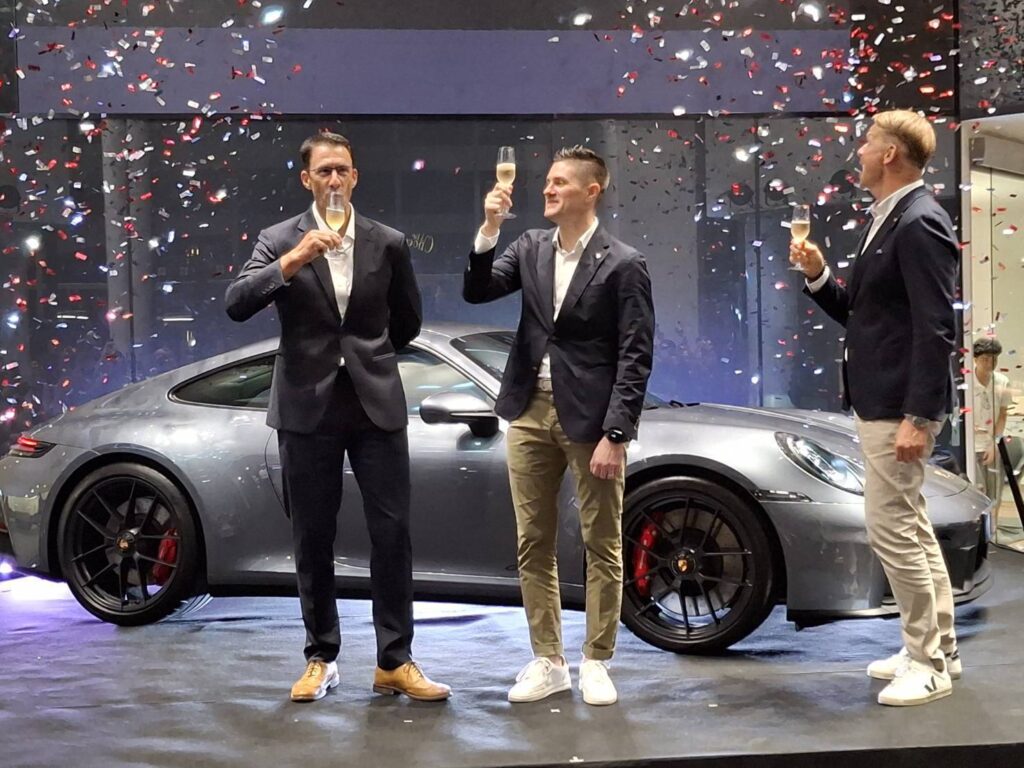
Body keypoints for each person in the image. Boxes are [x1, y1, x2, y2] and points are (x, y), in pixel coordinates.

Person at [225, 131, 450, 703]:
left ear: (355, 177)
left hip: (375, 401)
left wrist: (367, 356)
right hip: (306, 403)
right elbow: (237, 302)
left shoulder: (388, 241)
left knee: (392, 534)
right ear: (307, 179)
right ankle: (320, 657)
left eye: (342, 170)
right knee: (312, 535)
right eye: (323, 171)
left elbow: (407, 322)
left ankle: (394, 661)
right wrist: (295, 259)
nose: (333, 180)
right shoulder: (279, 239)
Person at [463, 146, 654, 706]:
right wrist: (489, 228)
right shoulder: (528, 246)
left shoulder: (624, 262)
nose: (547, 190)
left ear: (592, 190)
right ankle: (548, 660)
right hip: (528, 411)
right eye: (546, 181)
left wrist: (616, 433)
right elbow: (478, 290)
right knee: (533, 542)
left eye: (559, 182)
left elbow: (636, 354)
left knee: (602, 541)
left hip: (591, 420)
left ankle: (597, 659)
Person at [790, 110, 961, 707]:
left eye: (867, 143)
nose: (858, 152)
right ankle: (939, 648)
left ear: (890, 154)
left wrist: (920, 415)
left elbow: (937, 328)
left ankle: (928, 663)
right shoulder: (890, 217)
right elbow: (866, 317)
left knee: (892, 531)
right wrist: (818, 276)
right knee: (909, 526)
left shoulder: (918, 220)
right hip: (883, 400)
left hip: (897, 406)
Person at [972, 337, 1011, 502]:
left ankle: (994, 520)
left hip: (991, 443)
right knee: (976, 493)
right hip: (971, 445)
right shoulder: (966, 381)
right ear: (975, 359)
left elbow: (1002, 415)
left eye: (994, 359)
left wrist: (994, 443)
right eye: (985, 359)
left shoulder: (1002, 382)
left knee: (994, 494)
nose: (990, 364)